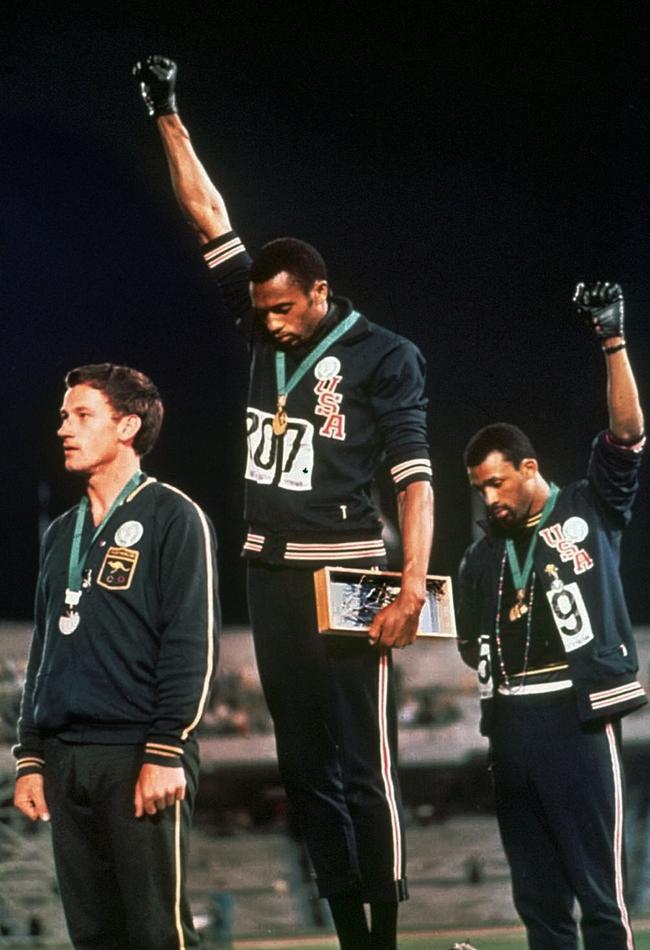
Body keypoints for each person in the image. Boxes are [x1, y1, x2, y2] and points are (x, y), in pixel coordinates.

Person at [133, 56, 434, 950]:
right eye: (259, 311)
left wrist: (411, 585)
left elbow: (414, 479)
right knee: (303, 769)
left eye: (282, 310)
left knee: (362, 764)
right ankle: (346, 930)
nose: (266, 324)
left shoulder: (388, 357)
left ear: (320, 293)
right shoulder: (261, 320)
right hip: (270, 570)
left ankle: (383, 933)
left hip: (354, 571)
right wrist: (167, 114)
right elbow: (210, 219)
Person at [456, 282, 646, 950]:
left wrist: (612, 339)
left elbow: (627, 435)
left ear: (529, 468)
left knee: (599, 897)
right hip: (508, 725)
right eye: (479, 487)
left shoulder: (589, 508)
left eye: (498, 482)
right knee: (537, 901)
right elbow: (464, 644)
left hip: (577, 716)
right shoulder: (480, 559)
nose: (489, 497)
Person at [13, 363, 220, 950]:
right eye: (63, 416)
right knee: (94, 935)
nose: (64, 429)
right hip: (64, 757)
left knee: (158, 933)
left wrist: (165, 748)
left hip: (138, 754)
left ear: (127, 426)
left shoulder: (174, 517)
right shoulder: (60, 535)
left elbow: (190, 644)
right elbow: (44, 648)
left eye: (82, 416)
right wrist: (30, 755)